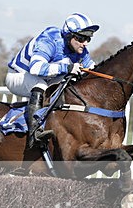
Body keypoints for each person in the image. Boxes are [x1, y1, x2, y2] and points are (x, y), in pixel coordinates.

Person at [6, 13, 99, 150]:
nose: (84, 43)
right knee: (41, 85)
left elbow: (92, 69)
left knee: (70, 84)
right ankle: (35, 134)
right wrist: (67, 67)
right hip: (19, 76)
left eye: (88, 39)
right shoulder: (49, 40)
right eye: (81, 38)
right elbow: (36, 68)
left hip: (45, 77)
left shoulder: (80, 49)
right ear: (69, 35)